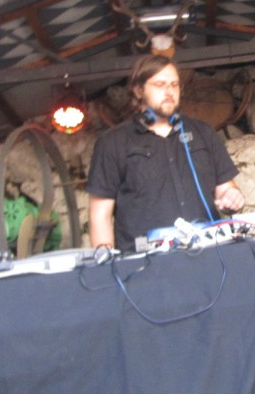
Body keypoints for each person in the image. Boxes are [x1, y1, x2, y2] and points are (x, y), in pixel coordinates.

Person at [86, 55, 245, 252]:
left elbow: (226, 188)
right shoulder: (113, 142)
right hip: (144, 262)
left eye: (174, 85)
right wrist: (107, 264)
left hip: (208, 254)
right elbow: (99, 216)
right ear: (138, 90)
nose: (169, 92)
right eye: (160, 84)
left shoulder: (203, 132)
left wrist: (232, 197)